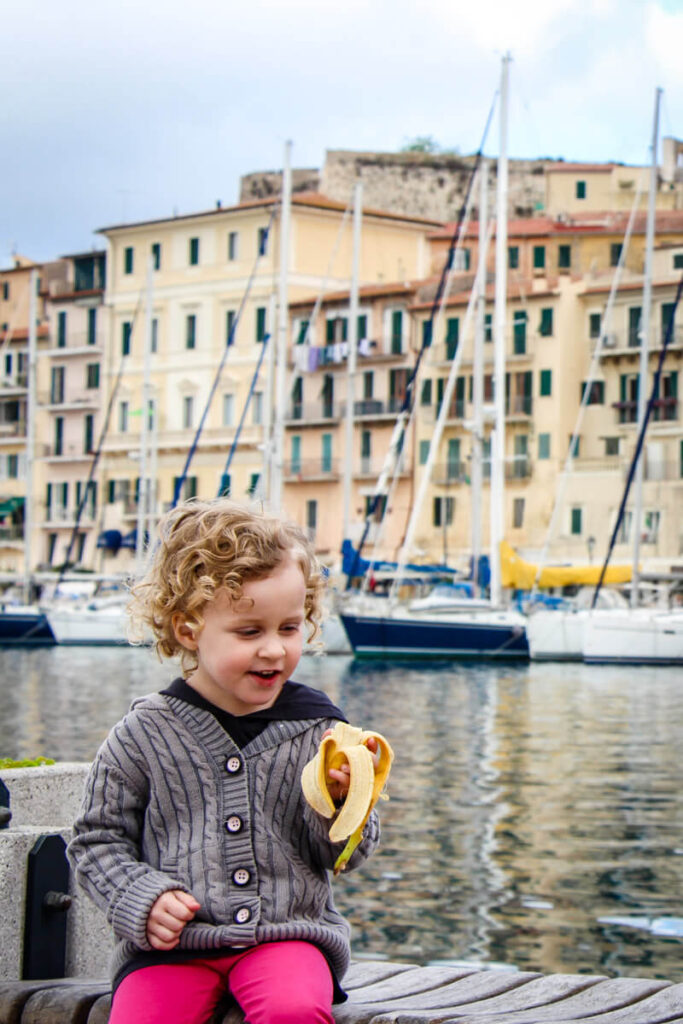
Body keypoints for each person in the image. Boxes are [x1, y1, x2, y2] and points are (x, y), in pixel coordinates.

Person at [67, 499, 384, 1024]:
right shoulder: (143, 732)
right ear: (189, 630)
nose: (275, 651)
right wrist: (140, 898)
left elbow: (347, 857)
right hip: (170, 950)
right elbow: (96, 840)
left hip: (286, 939)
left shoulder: (320, 731)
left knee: (293, 1014)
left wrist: (346, 803)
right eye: (249, 632)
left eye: (288, 627)